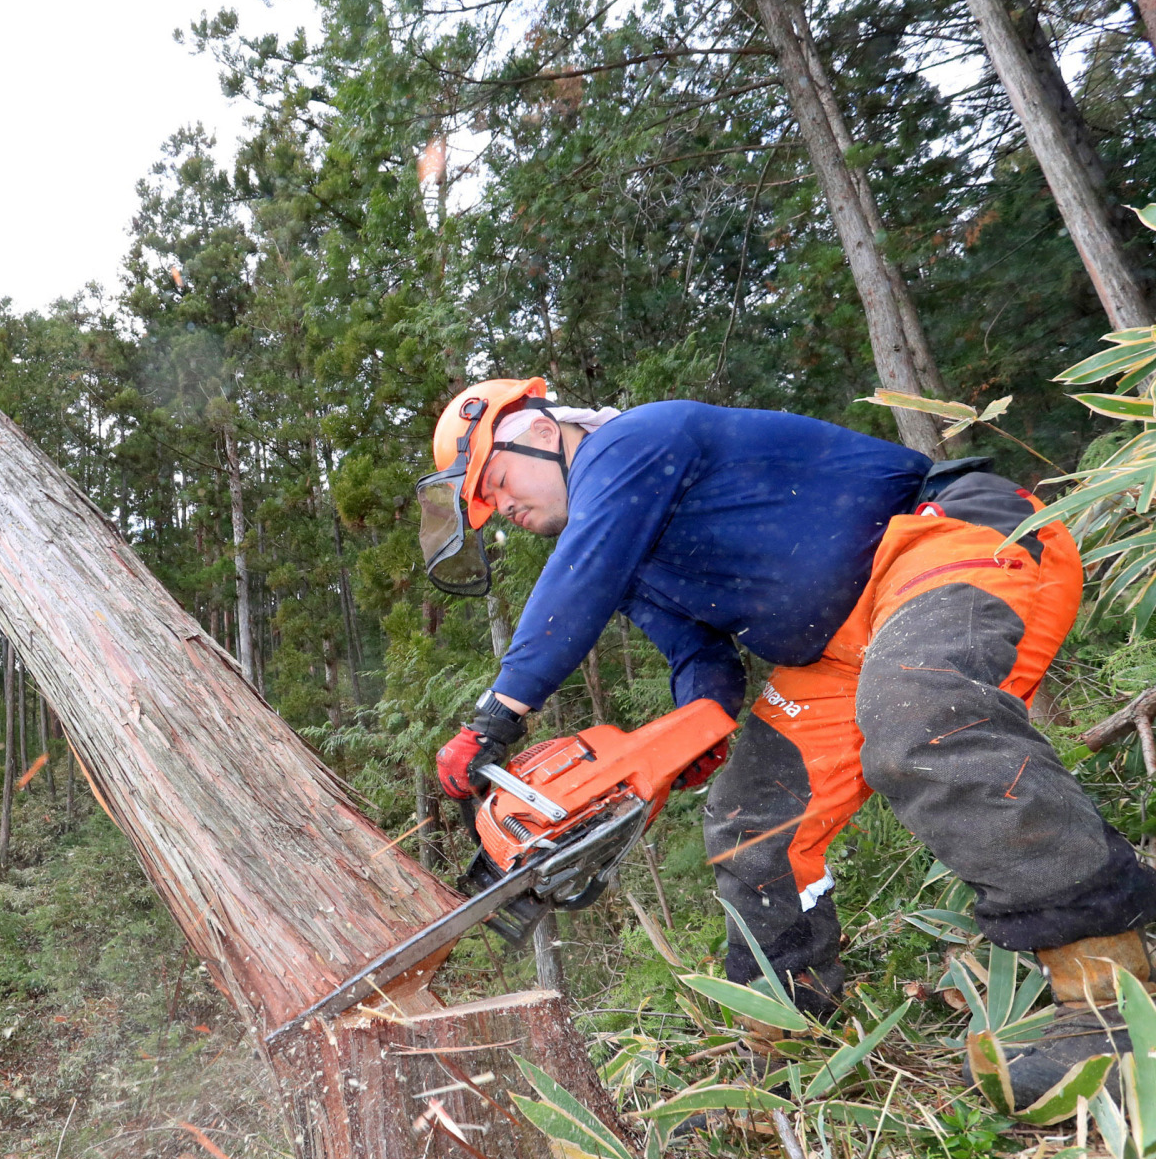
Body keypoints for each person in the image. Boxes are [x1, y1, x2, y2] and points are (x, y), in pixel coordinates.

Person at [418, 378, 1156, 1110]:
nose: (503, 509)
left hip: (944, 536)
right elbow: (698, 658)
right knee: (751, 818)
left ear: (541, 430)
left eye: (496, 480)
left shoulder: (632, 441)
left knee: (922, 710)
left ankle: (1112, 1009)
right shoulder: (633, 558)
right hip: (837, 649)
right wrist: (694, 725)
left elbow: (575, 582)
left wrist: (497, 714)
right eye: (488, 510)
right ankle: (793, 1047)